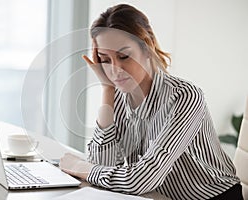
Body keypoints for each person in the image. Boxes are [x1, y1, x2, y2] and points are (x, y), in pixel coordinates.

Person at [59, 4, 243, 200]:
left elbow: (141, 180)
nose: (115, 70)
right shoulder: (119, 96)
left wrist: (80, 167)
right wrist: (107, 90)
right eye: (105, 59)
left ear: (147, 48)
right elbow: (102, 163)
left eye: (124, 56)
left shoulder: (185, 97)